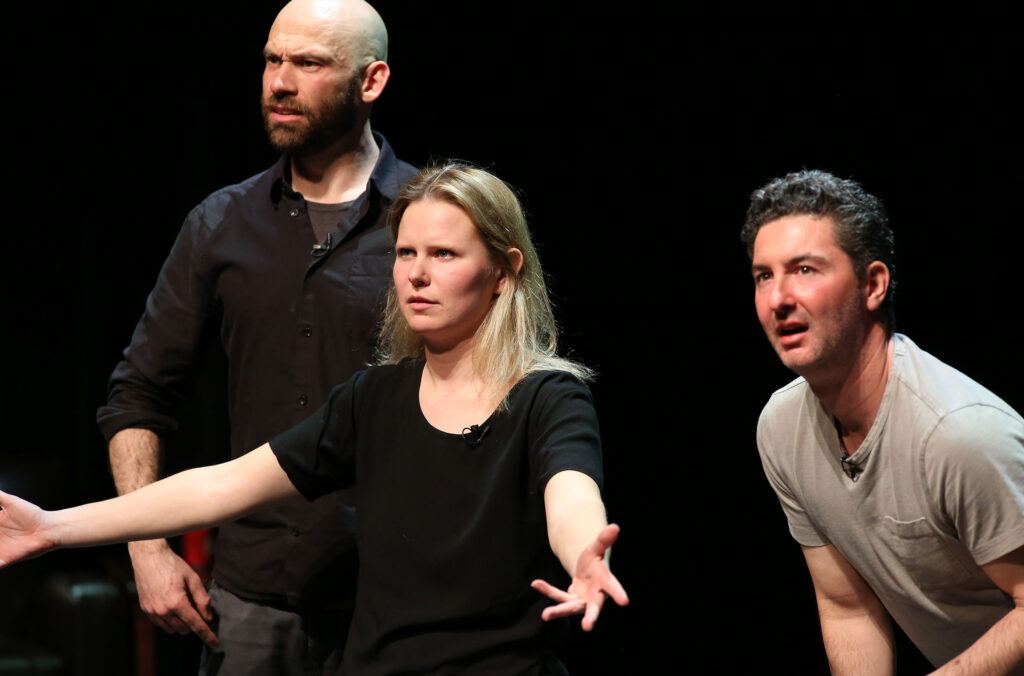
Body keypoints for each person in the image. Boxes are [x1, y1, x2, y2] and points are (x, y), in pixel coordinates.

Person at [0, 163, 628, 675]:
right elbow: (225, 484)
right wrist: (53, 527)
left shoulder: (548, 396)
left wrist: (581, 556)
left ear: (503, 272)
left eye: (443, 253)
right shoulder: (374, 398)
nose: (416, 273)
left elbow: (570, 494)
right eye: (405, 251)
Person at [94, 0, 416, 671]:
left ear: (372, 81)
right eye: (272, 60)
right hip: (254, 605)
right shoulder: (223, 221)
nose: (280, 82)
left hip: (397, 601)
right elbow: (138, 394)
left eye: (308, 63)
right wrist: (148, 550)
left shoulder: (428, 222)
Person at [742, 169, 1024, 674]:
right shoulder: (781, 429)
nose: (779, 297)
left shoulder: (958, 432)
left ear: (873, 284)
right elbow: (848, 607)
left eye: (805, 269)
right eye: (765, 275)